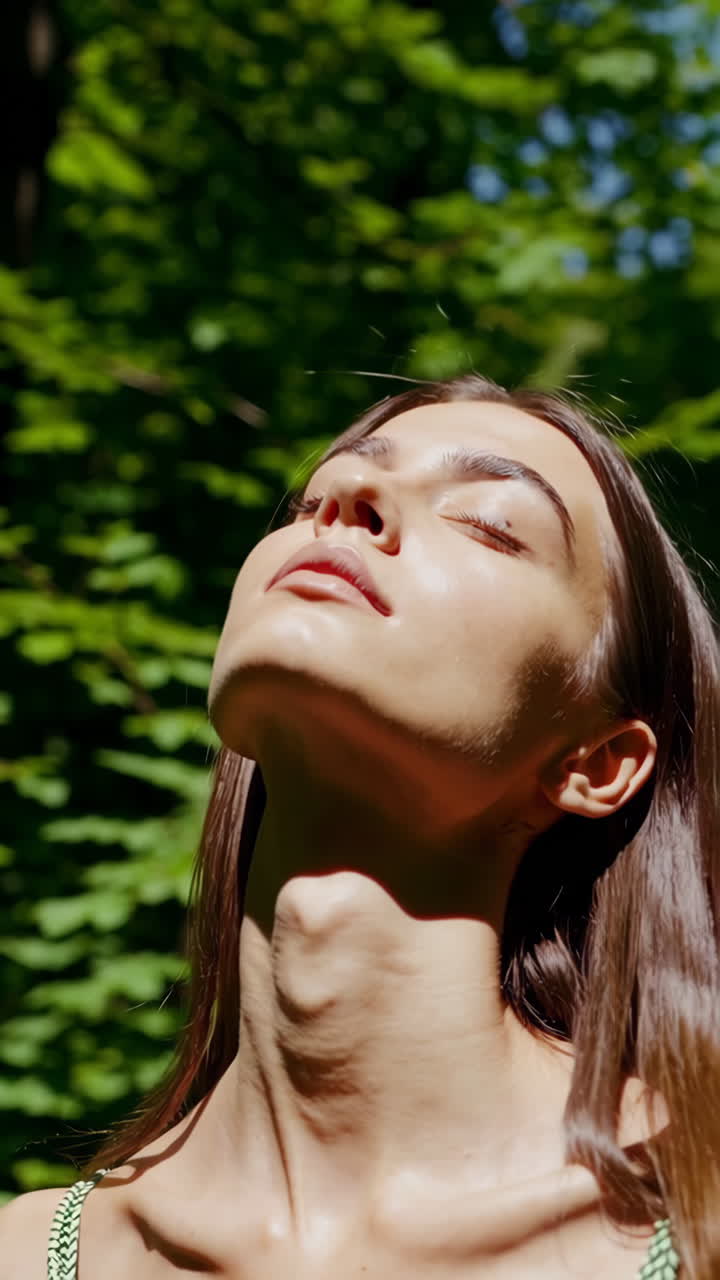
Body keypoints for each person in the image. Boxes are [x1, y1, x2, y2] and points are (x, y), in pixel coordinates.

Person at [3, 373, 718, 1278]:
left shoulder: (695, 1217)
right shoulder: (31, 1254)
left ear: (595, 763)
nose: (346, 499)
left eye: (490, 523)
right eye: (314, 497)